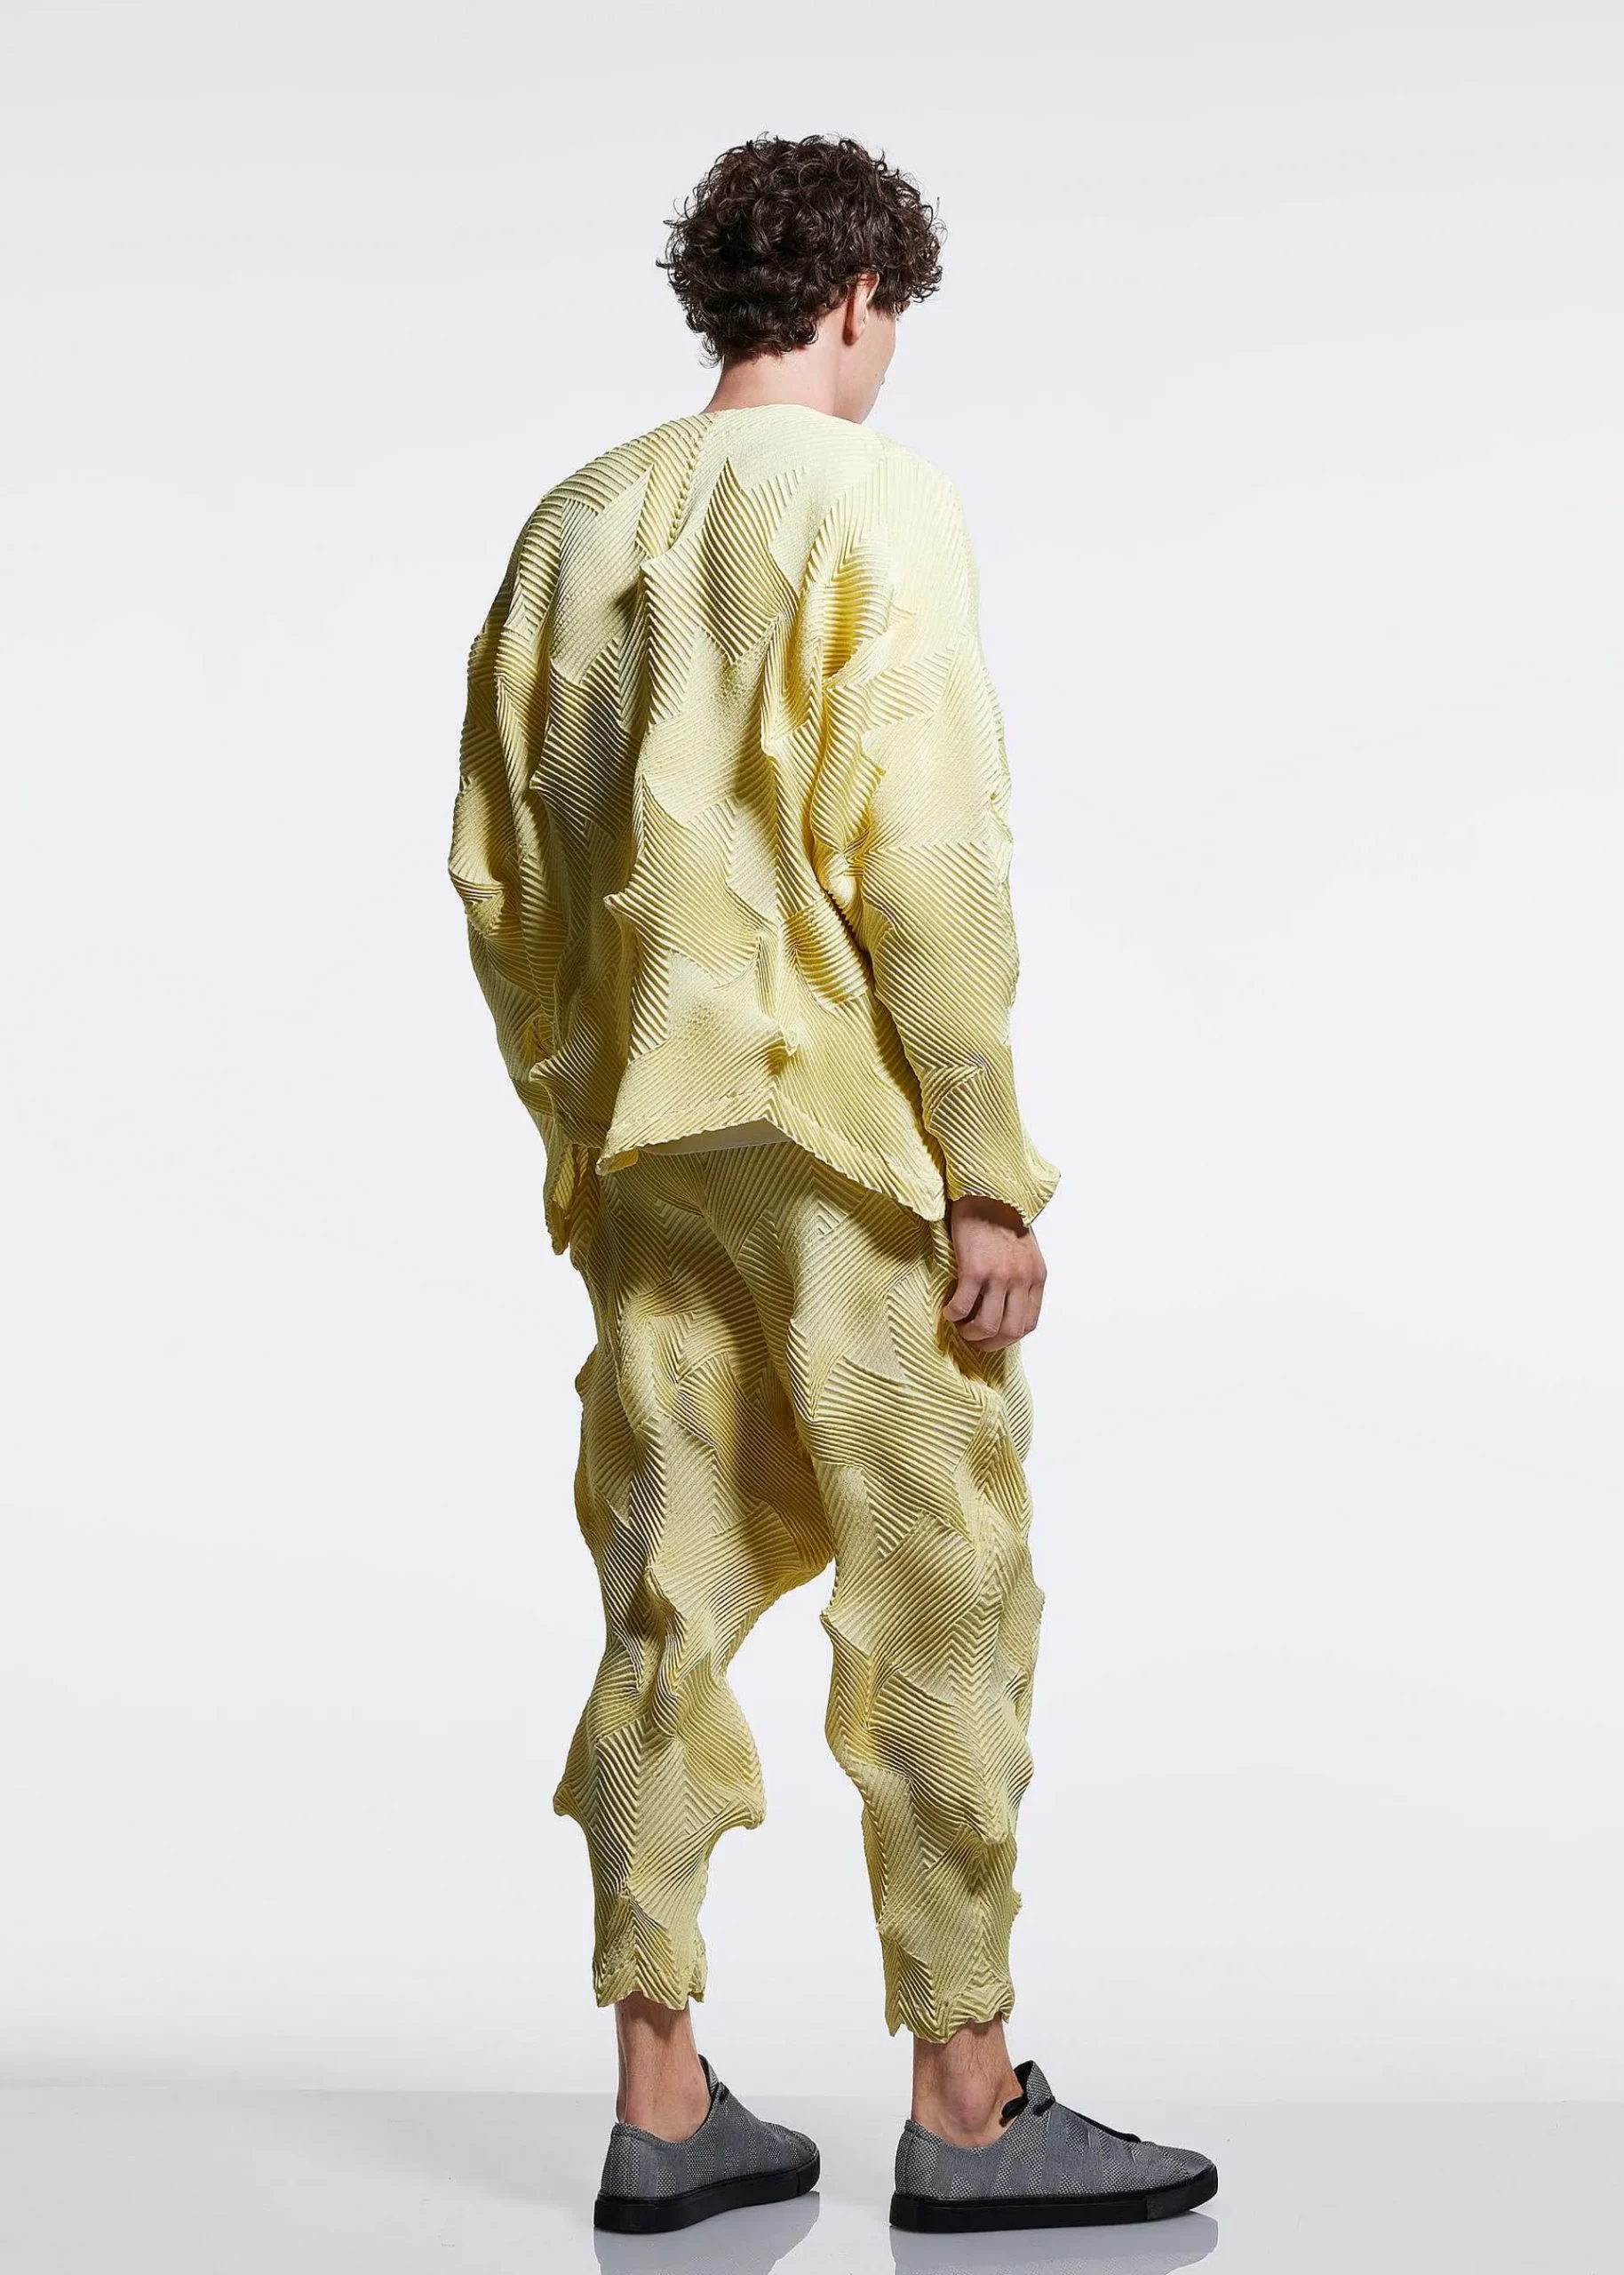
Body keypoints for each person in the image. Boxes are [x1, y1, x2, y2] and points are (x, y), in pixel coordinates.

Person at [449, 131, 1217, 2238]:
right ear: (861, 298)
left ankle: (659, 2095)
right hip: (839, 1142)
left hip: (644, 1147)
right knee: (937, 1584)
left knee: (664, 1584)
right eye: (894, 321)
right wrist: (986, 1170)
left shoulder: (569, 523)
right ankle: (965, 2099)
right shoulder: (873, 501)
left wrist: (579, 1113)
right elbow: (927, 857)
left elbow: (500, 875)